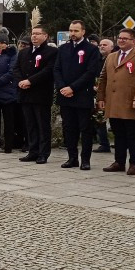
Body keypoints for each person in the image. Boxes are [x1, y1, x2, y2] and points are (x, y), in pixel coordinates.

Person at [97, 28, 135, 175]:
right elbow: (103, 78)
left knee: (133, 135)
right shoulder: (111, 57)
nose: (121, 40)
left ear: (133, 41)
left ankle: (134, 163)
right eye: (120, 38)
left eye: (125, 38)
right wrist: (101, 97)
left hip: (131, 103)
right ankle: (119, 162)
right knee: (118, 134)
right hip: (114, 102)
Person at [53, 20, 102, 170]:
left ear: (83, 32)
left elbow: (91, 72)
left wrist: (73, 88)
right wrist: (62, 87)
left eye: (76, 31)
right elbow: (56, 69)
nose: (73, 34)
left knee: (85, 129)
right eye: (71, 31)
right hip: (65, 95)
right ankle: (72, 157)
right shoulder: (63, 48)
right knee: (69, 128)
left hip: (82, 95)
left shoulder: (92, 50)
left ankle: (85, 160)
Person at [16, 26, 58, 164]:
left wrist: (30, 81)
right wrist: (21, 81)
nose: (34, 36)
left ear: (45, 36)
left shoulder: (51, 52)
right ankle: (32, 151)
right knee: (30, 125)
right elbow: (15, 68)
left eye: (37, 34)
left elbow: (49, 70)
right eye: (33, 34)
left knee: (42, 125)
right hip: (26, 94)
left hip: (40, 94)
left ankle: (43, 153)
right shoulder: (24, 52)